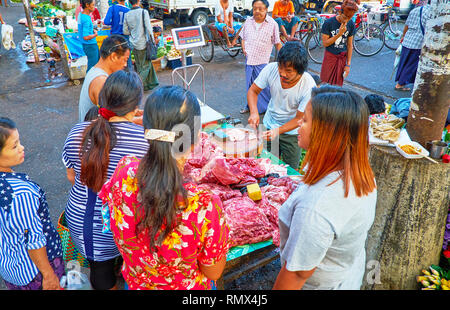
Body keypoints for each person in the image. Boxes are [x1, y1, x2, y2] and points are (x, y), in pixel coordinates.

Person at [99, 85, 230, 290]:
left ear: (145, 130)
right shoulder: (203, 205)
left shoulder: (123, 172)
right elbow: (213, 272)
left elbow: (110, 221)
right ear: (195, 140)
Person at [273, 85, 377, 290]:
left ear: (326, 133)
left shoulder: (316, 207)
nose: (298, 126)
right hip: (347, 275)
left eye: (304, 121)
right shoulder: (359, 171)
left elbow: (295, 275)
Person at [62, 70, 149, 290]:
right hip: (119, 225)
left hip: (82, 221)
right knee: (119, 264)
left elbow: (72, 176)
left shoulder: (76, 132)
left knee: (100, 270)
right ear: (136, 105)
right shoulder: (144, 141)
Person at [0, 117, 64, 290]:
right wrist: (49, 275)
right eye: (14, 146)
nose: (22, 148)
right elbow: (34, 239)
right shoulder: (21, 193)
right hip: (34, 272)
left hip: (10, 266)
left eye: (19, 142)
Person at [247, 41, 316, 170]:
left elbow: (299, 119)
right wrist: (254, 112)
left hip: (293, 133)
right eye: (281, 67)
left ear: (300, 72)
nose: (282, 73)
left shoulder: (308, 85)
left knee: (289, 171)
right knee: (266, 166)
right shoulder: (271, 69)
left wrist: (278, 131)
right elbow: (253, 91)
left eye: (288, 71)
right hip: (269, 125)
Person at [235, 0, 282, 115]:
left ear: (266, 9)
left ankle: (266, 108)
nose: (257, 11)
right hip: (249, 61)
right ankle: (250, 107)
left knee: (263, 87)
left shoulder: (272, 24)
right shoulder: (248, 21)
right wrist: (243, 47)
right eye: (255, 8)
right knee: (249, 86)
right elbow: (243, 37)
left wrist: (285, 58)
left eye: (261, 9)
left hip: (262, 62)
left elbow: (277, 43)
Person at [78, 34, 131, 122]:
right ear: (113, 56)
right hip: (92, 132)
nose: (125, 65)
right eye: (125, 60)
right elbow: (111, 120)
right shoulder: (101, 81)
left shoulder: (94, 70)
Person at [320, 0, 358, 86]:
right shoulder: (329, 23)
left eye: (350, 18)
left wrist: (348, 65)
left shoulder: (351, 24)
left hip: (342, 57)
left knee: (337, 87)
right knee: (324, 83)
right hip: (330, 56)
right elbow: (325, 43)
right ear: (340, 12)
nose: (347, 20)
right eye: (345, 17)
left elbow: (349, 45)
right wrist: (339, 34)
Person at [123, 0, 159, 91]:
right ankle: (135, 88)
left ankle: (146, 85)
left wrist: (133, 32)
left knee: (139, 65)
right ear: (138, 1)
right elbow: (149, 29)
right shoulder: (144, 12)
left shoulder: (127, 14)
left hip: (133, 44)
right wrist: (153, 41)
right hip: (143, 44)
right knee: (145, 66)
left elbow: (125, 31)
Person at [394, 2, 431, 91]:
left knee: (404, 63)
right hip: (418, 42)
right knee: (412, 65)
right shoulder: (431, 12)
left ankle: (403, 81)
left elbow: (406, 25)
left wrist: (403, 36)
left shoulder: (414, 10)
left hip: (408, 40)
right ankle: (400, 84)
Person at [78, 0, 100, 72]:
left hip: (86, 45)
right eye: (93, 5)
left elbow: (84, 30)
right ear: (87, 5)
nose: (94, 7)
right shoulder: (86, 19)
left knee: (93, 64)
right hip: (90, 45)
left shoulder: (81, 15)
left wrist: (92, 29)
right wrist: (95, 34)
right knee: (92, 66)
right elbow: (86, 37)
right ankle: (89, 82)